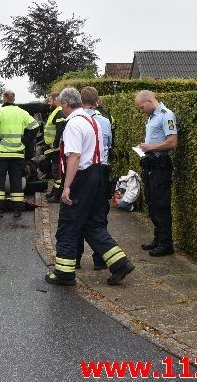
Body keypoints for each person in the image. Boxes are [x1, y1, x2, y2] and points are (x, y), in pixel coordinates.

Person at [46, 87, 134, 286]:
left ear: (67, 104)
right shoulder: (93, 120)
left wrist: (66, 187)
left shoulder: (74, 124)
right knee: (93, 224)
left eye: (62, 105)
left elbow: (74, 156)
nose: (61, 109)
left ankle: (64, 273)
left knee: (69, 224)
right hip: (97, 174)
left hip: (82, 177)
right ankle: (120, 263)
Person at [135, 90, 178, 257]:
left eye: (141, 107)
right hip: (151, 164)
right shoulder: (152, 117)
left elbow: (172, 142)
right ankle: (158, 239)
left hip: (161, 166)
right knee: (152, 204)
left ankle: (166, 244)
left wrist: (150, 148)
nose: (141, 110)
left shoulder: (166, 115)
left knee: (161, 206)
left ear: (149, 101)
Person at [77, 86, 113, 270]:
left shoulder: (77, 120)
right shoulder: (105, 121)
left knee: (77, 214)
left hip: (83, 171)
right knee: (99, 216)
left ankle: (74, 259)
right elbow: (109, 145)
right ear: (97, 101)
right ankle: (101, 260)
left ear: (80, 101)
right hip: (102, 170)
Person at [0, 90, 39, 218]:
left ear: (3, 99)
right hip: (17, 153)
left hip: (1, 153)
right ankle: (17, 209)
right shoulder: (21, 112)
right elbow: (35, 126)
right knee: (16, 180)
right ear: (14, 98)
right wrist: (26, 140)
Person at [44, 93, 66, 204]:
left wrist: (56, 143)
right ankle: (54, 192)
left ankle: (57, 196)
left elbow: (60, 128)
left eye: (50, 101)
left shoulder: (59, 111)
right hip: (54, 149)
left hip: (57, 149)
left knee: (57, 172)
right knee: (55, 172)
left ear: (56, 100)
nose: (49, 103)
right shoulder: (56, 111)